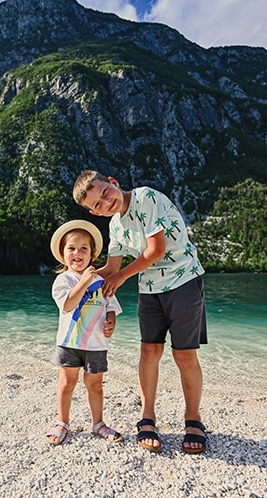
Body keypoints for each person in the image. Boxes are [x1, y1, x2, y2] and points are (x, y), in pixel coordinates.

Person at [72, 170, 208, 454]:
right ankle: (148, 417)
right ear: (93, 213)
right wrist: (85, 280)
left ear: (113, 183)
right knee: (149, 351)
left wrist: (120, 278)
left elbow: (155, 251)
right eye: (96, 205)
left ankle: (193, 420)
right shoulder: (115, 226)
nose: (105, 203)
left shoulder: (145, 197)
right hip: (150, 288)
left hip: (183, 280)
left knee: (184, 354)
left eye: (104, 194)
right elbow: (111, 269)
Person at [46, 220, 124, 446]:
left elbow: (111, 306)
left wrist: (111, 321)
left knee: (95, 384)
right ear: (63, 254)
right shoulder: (63, 280)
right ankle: (62, 422)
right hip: (69, 342)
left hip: (96, 344)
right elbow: (68, 304)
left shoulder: (101, 281)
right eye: (71, 248)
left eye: (83, 249)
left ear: (92, 255)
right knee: (67, 383)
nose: (77, 253)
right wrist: (84, 281)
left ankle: (98, 423)